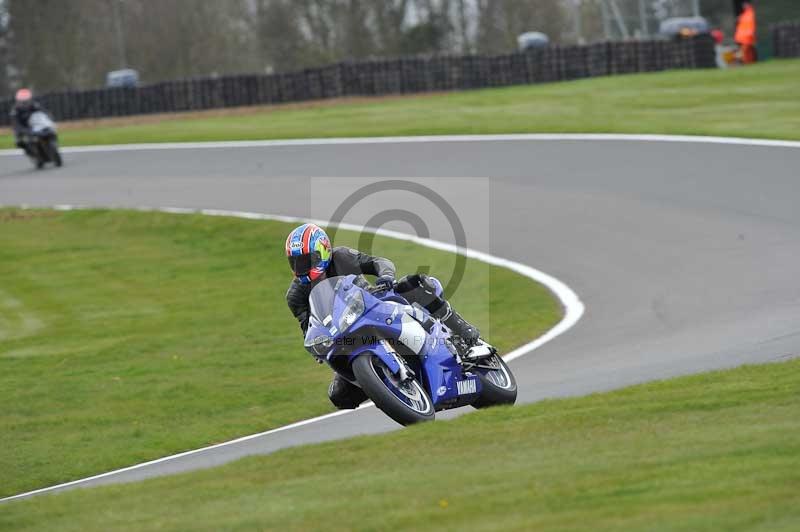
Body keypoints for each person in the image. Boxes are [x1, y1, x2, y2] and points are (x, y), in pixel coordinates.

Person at [284, 223, 482, 409]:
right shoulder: (295, 295)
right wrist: (316, 346)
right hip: (344, 335)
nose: (303, 267)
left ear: (324, 251)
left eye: (309, 260)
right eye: (297, 263)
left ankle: (461, 328)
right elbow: (308, 326)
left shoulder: (341, 256)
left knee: (414, 285)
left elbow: (378, 262)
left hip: (374, 304)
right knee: (339, 396)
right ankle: (385, 384)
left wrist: (386, 277)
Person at [9, 88, 46, 156]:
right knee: (19, 142)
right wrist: (21, 130)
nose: (25, 103)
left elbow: (43, 113)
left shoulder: (34, 105)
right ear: (19, 100)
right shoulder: (15, 109)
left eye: (26, 101)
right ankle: (30, 153)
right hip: (22, 127)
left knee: (45, 133)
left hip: (34, 125)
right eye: (23, 101)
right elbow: (15, 122)